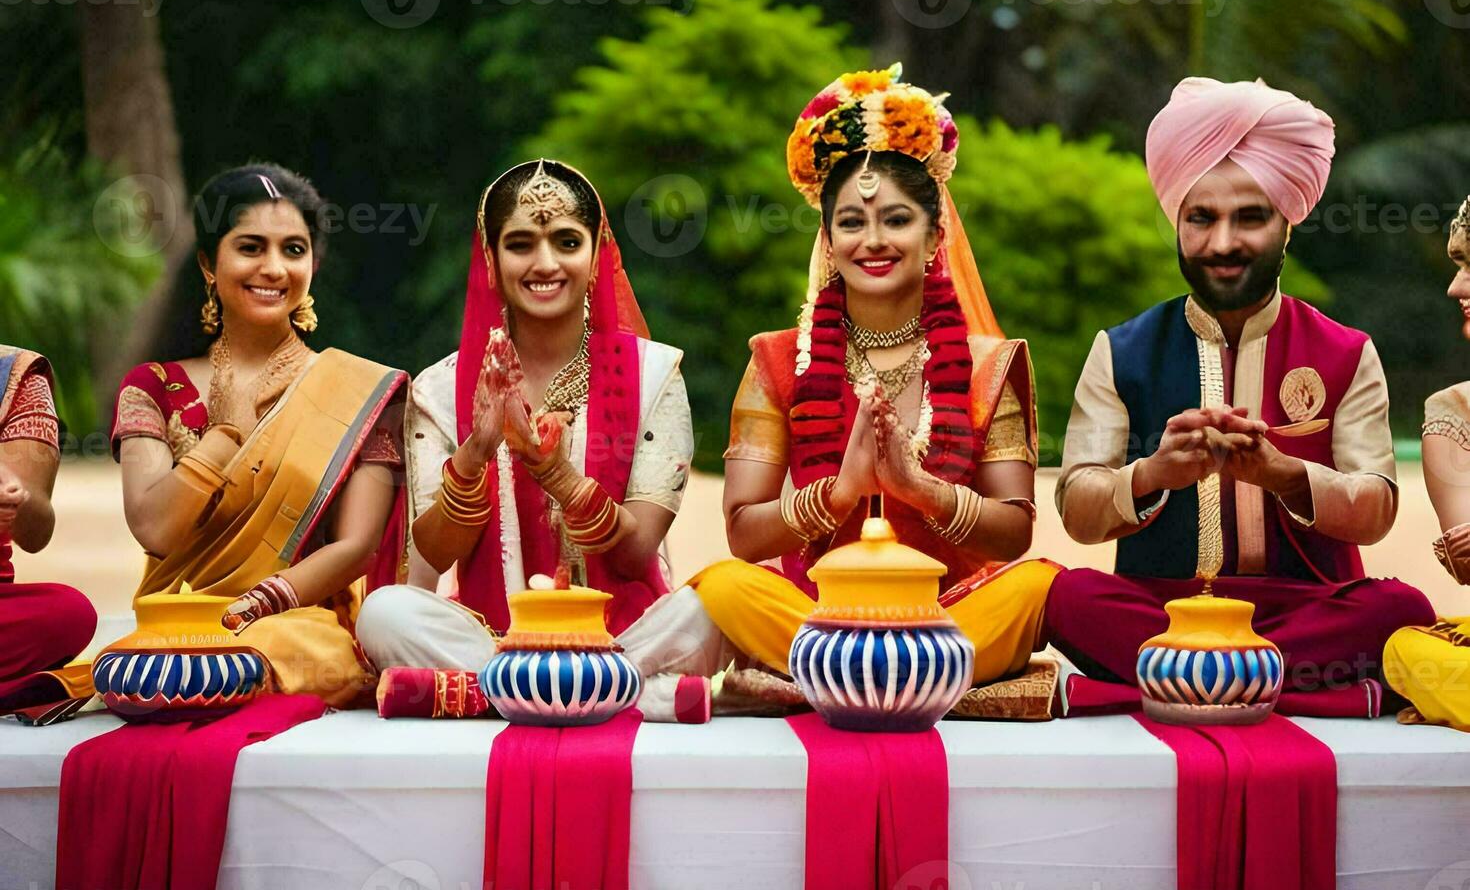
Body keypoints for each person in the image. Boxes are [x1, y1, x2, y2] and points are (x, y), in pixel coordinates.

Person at [618, 65, 1060, 718]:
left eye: (897, 220)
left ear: (935, 236)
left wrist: (923, 491)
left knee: (1039, 585)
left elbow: (1014, 531)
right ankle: (901, 679)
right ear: (828, 239)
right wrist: (840, 493)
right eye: (852, 222)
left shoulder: (988, 364)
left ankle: (835, 679)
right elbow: (743, 533)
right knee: (727, 584)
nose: (873, 240)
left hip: (947, 616)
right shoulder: (776, 359)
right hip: (819, 614)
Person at [1044, 78, 1432, 694]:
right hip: (1165, 613)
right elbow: (1078, 512)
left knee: (1400, 609)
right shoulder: (1120, 351)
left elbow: (1377, 509)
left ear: (1287, 224)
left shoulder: (1346, 351)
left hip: (1303, 610)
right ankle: (1259, 681)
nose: (1223, 243)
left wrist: (1282, 473)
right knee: (1067, 594)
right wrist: (1152, 474)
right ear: (1177, 223)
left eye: (1249, 218)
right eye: (1201, 219)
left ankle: (1189, 680)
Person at [354, 159, 694, 671]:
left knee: (710, 607)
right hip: (492, 636)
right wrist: (475, 453)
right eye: (519, 245)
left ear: (597, 256)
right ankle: (603, 690)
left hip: (624, 635)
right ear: (490, 259)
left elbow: (636, 553)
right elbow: (436, 551)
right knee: (383, 614)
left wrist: (555, 473)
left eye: (567, 241)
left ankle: (493, 690)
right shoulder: (443, 388)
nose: (545, 263)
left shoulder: (655, 374)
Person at [110, 163, 407, 708]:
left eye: (294, 250)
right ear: (207, 263)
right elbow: (154, 528)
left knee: (244, 658)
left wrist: (253, 608)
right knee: (155, 667)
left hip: (295, 625)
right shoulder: (156, 385)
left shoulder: (358, 390)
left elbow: (357, 545)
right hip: (176, 621)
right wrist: (227, 429)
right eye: (251, 247)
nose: (274, 268)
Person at [1383, 195, 1470, 729]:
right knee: (1406, 650)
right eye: (1459, 265)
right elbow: (1467, 562)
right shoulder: (1454, 413)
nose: (1455, 288)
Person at [0, 346, 98, 718]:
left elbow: (36, 532)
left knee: (68, 615)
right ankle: (17, 692)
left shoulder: (15, 375)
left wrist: (15, 495)